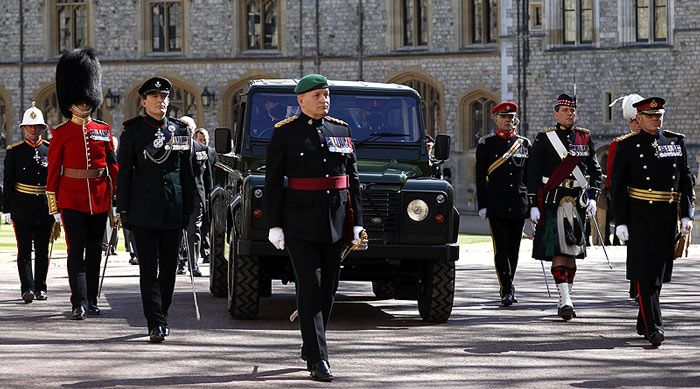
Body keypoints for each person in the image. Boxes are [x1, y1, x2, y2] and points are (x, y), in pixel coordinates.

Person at [265, 74, 364, 382]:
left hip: (336, 223)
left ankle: (311, 345)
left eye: (326, 94)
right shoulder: (285, 133)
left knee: (329, 290)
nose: (324, 100)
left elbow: (353, 180)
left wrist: (358, 222)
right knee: (310, 288)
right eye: (318, 95)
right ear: (301, 100)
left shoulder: (340, 130)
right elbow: (273, 183)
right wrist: (274, 225)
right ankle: (319, 358)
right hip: (299, 223)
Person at [611, 97, 695, 347]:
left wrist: (686, 214)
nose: (656, 120)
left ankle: (643, 320)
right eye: (650, 116)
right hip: (639, 216)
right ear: (638, 118)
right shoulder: (628, 145)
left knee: (658, 274)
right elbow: (617, 187)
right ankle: (654, 327)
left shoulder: (675, 142)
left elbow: (685, 181)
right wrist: (621, 221)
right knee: (644, 273)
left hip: (666, 215)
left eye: (659, 115)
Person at [117, 76, 195, 343]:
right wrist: (123, 209)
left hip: (173, 207)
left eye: (164, 98)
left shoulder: (180, 131)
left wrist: (189, 208)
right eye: (154, 98)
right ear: (143, 102)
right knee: (148, 268)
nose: (160, 101)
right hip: (143, 208)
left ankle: (163, 312)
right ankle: (155, 322)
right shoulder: (133, 131)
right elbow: (125, 174)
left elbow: (187, 173)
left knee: (170, 267)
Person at [47, 48, 119, 320]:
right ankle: (78, 302)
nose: (84, 104)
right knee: (76, 251)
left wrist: (114, 203)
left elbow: (112, 168)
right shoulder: (61, 134)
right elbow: (53, 172)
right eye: (79, 99)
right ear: (69, 102)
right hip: (71, 199)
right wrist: (54, 207)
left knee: (94, 253)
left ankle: (91, 299)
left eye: (87, 98)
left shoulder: (103, 130)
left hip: (99, 198)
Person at [527, 93, 602, 321]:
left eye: (573, 111)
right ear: (556, 113)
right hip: (553, 201)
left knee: (572, 253)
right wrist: (533, 205)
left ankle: (566, 295)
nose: (570, 114)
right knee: (559, 251)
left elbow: (595, 170)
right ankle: (565, 299)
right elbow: (532, 172)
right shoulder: (544, 138)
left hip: (577, 202)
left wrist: (593, 198)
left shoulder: (584, 138)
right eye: (565, 111)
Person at [475, 102, 531, 306]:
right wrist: (482, 204)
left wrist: (533, 205)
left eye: (511, 116)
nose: (508, 120)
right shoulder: (486, 144)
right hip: (496, 203)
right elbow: (480, 176)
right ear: (496, 119)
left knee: (514, 248)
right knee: (501, 248)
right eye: (504, 117)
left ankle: (509, 283)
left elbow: (529, 177)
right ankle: (506, 288)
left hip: (518, 202)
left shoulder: (524, 144)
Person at [2, 103, 54, 303]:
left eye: (36, 126)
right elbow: (8, 182)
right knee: (24, 250)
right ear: (23, 129)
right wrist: (6, 209)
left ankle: (41, 287)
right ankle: (27, 288)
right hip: (22, 206)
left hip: (44, 205)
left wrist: (56, 207)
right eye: (29, 127)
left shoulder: (50, 150)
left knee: (42, 250)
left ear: (42, 128)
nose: (33, 130)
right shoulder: (15, 152)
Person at [606, 93, 644, 298]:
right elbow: (613, 178)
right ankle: (636, 283)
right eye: (634, 121)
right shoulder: (619, 144)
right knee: (635, 247)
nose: (637, 125)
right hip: (630, 202)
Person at [177, 125, 212, 277]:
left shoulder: (202, 149)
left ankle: (194, 264)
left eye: (190, 128)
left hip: (196, 195)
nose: (188, 131)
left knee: (194, 230)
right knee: (177, 231)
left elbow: (207, 177)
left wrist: (208, 199)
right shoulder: (174, 146)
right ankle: (179, 263)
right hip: (177, 195)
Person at [193, 128, 217, 264]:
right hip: (197, 193)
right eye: (201, 140)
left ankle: (207, 251)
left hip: (209, 192)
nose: (204, 142)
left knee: (207, 225)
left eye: (205, 140)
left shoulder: (212, 153)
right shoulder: (195, 153)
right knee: (196, 226)